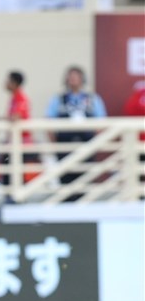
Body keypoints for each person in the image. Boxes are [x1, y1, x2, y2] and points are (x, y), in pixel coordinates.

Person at [45, 65, 108, 201]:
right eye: (70, 76)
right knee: (65, 181)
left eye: (76, 76)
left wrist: (94, 143)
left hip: (86, 147)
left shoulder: (92, 99)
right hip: (64, 147)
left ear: (82, 79)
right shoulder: (58, 99)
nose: (73, 79)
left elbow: (101, 122)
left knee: (85, 180)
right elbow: (49, 122)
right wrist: (54, 144)